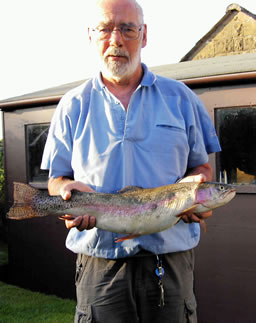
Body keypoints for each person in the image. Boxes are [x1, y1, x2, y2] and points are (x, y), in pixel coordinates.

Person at [41, 0, 221, 322]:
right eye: (106, 29)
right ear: (91, 36)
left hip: (171, 258)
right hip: (99, 263)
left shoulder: (181, 98)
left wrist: (198, 187)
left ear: (144, 34)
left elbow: (203, 167)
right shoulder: (72, 105)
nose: (116, 40)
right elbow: (56, 179)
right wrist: (67, 190)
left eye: (127, 29)